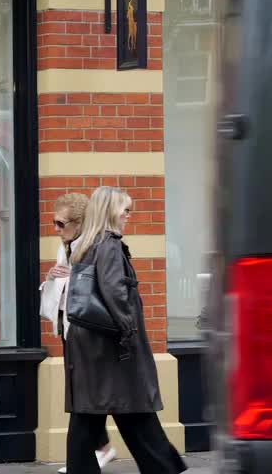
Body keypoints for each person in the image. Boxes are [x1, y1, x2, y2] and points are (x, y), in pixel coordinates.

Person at [65, 187, 186, 474]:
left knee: (93, 412)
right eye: (125, 209)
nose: (128, 216)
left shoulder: (88, 243)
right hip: (112, 346)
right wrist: (129, 332)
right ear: (110, 210)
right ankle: (163, 468)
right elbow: (115, 292)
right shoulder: (109, 245)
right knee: (132, 407)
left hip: (93, 344)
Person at [41, 193, 118, 473]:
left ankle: (95, 454)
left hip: (90, 331)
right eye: (55, 222)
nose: (56, 229)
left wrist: (69, 278)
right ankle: (100, 451)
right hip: (71, 330)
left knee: (86, 396)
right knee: (83, 394)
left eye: (61, 224)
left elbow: (100, 289)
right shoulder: (67, 246)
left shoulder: (93, 247)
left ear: (78, 223)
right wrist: (52, 278)